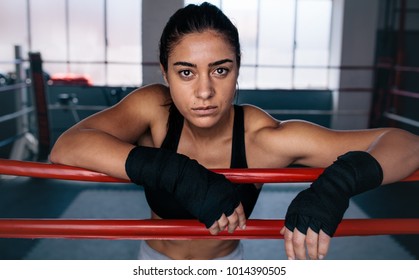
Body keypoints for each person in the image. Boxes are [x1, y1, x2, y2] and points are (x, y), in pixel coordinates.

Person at [50, 2, 419, 260]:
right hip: (153, 262)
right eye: (186, 72)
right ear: (165, 74)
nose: (205, 91)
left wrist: (337, 185)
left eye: (220, 70)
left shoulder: (260, 138)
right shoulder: (155, 110)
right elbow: (68, 146)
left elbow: (405, 144)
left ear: (238, 69)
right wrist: (177, 173)